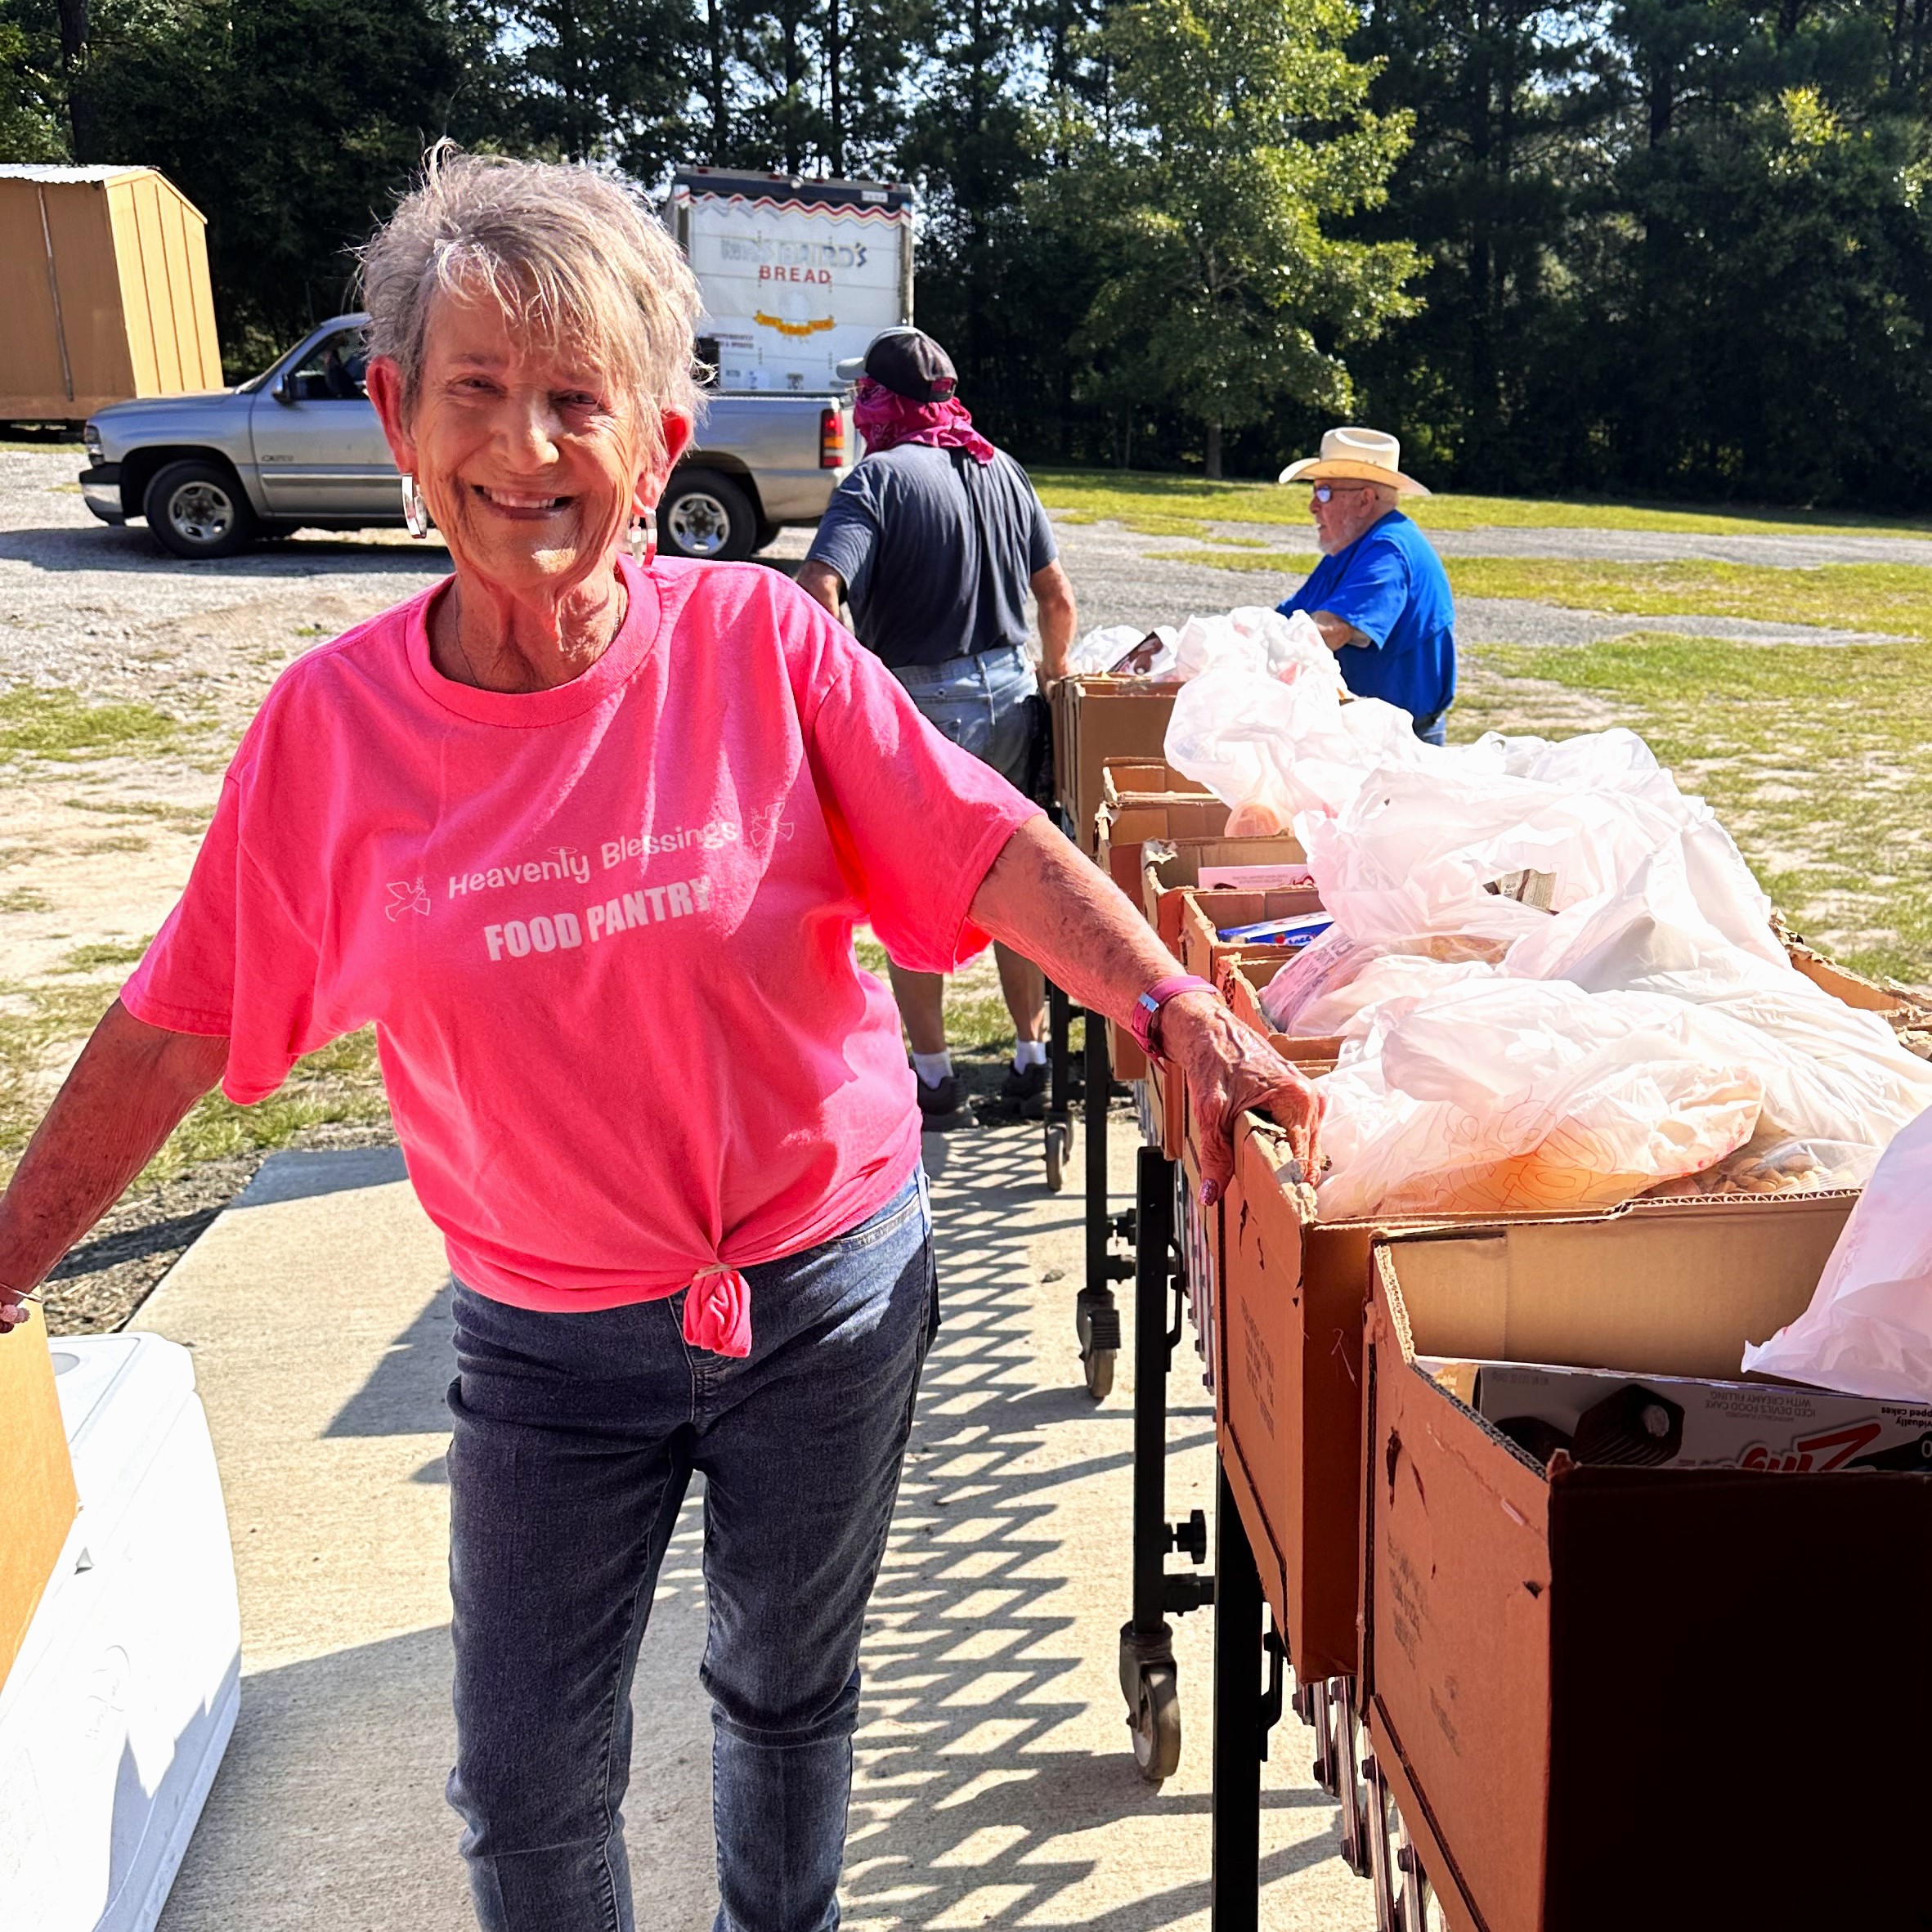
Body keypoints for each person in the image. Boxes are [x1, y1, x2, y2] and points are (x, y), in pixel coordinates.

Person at [0, 152, 1318, 1932]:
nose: (525, 447)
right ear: (395, 411)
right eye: (474, 389)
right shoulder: (329, 733)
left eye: (574, 400)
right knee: (526, 1783)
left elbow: (981, 840)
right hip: (545, 1342)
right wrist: (7, 1257)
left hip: (827, 1288)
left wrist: (1160, 1001)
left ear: (659, 432)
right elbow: (169, 1027)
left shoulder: (763, 644)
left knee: (784, 1688)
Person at [796, 328, 1078, 1121]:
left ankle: (933, 1077)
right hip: (1011, 693)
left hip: (919, 708)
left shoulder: (873, 481)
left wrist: (847, 690)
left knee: (909, 893)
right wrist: (1051, 684)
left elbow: (819, 589)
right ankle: (1030, 1059)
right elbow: (1055, 598)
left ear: (879, 401)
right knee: (1013, 882)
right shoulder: (1003, 469)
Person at [1275, 426, 1457, 745]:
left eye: (1324, 492)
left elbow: (1331, 630)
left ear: (1365, 500)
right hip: (1367, 739)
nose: (1313, 506)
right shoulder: (1352, 548)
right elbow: (1284, 619)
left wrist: (1246, 647)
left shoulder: (1388, 551)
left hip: (1400, 748)